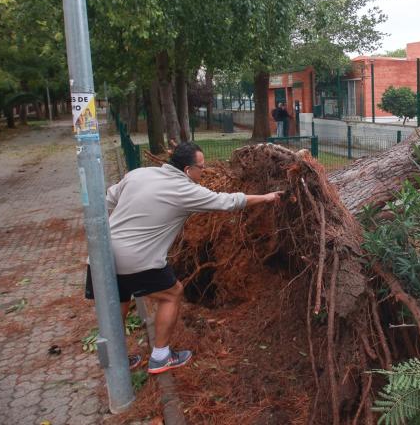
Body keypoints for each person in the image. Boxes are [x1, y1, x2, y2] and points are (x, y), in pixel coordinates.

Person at [85, 142, 283, 374]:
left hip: (102, 254)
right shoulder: (185, 190)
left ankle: (117, 360)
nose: (204, 170)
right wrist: (266, 197)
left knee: (119, 301)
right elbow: (227, 202)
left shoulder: (139, 174)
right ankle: (161, 357)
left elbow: (107, 200)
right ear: (188, 170)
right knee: (172, 293)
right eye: (201, 167)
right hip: (138, 260)